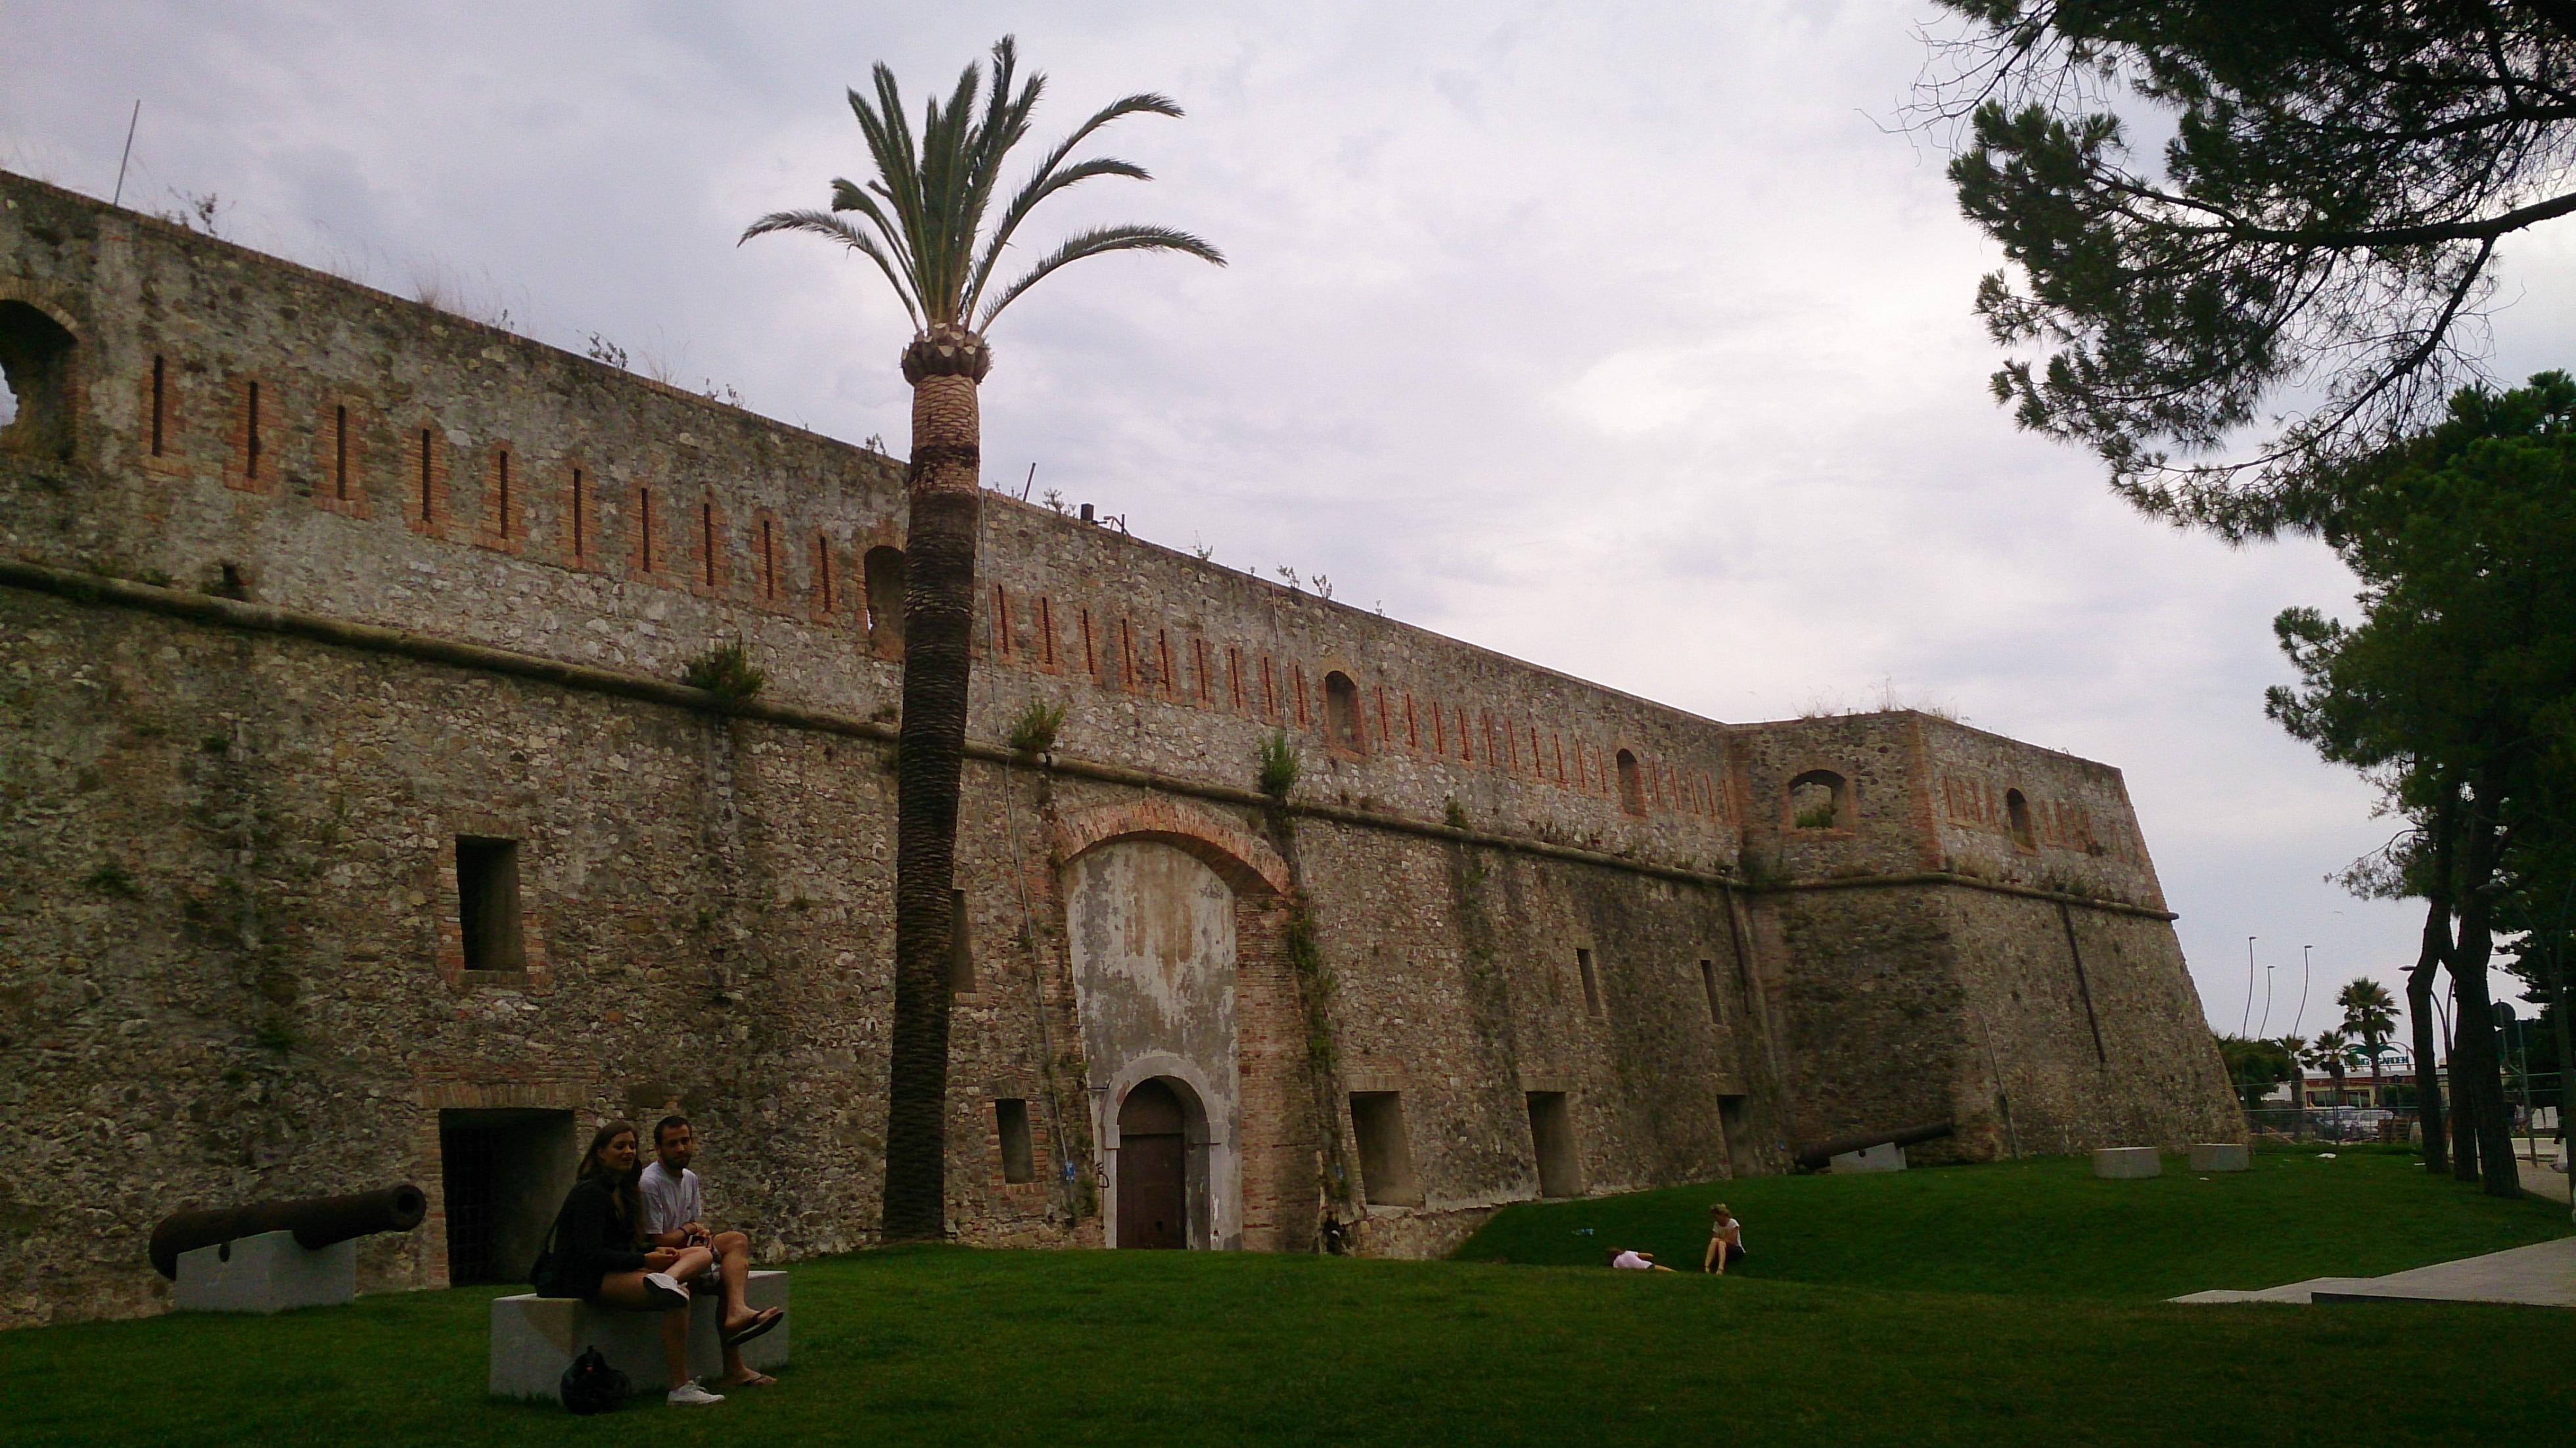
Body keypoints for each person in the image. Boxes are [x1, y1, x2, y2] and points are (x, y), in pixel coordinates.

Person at [538, 1120, 727, 1407]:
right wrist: (644, 1259)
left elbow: (627, 1243)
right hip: (587, 1276)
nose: (627, 1152)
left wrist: (656, 1251)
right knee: (678, 1298)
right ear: (601, 1153)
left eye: (632, 1146)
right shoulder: (590, 1194)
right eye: (620, 1147)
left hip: (620, 1266)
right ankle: (680, 1387)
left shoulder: (624, 1191)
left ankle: (668, 1278)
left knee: (701, 1254)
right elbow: (589, 1254)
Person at [641, 1115, 783, 1390]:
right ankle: (730, 1367)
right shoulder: (650, 1183)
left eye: (685, 1141)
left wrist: (700, 1235)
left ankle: (737, 1311)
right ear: (658, 1149)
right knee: (716, 1282)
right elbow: (655, 1237)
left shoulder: (690, 1179)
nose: (681, 1148)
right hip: (665, 1259)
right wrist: (691, 1229)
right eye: (673, 1144)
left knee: (736, 1241)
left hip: (689, 1250)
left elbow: (692, 1226)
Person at [1702, 1202, 1745, 1275]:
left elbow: (1733, 1241)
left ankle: (1720, 1268)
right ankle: (1707, 1266)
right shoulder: (1716, 1224)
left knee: (1721, 1243)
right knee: (1714, 1241)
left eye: (1716, 1217)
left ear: (1722, 1215)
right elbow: (1714, 1238)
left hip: (1736, 1249)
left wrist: (1721, 1241)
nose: (1715, 1219)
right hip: (1722, 1247)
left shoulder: (1733, 1223)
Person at [1607, 1248, 1673, 1272]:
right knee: (1669, 1271)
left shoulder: (1616, 1262)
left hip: (1637, 1273)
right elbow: (1649, 1255)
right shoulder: (1628, 1253)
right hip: (1646, 1266)